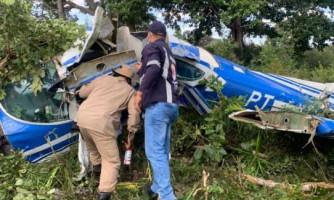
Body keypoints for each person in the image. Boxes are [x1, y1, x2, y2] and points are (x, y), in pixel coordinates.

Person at [76, 64, 140, 200]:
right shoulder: (130, 91)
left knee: (93, 150)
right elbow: (133, 116)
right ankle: (104, 193)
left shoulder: (103, 79)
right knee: (111, 160)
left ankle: (95, 178)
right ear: (129, 80)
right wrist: (131, 133)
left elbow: (82, 93)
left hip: (82, 117)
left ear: (115, 73)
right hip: (102, 122)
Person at [134, 21, 179, 200]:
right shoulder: (169, 52)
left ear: (150, 35)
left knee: (154, 151)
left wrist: (139, 93)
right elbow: (157, 72)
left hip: (158, 105)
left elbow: (154, 68)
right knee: (162, 149)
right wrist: (141, 71)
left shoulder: (151, 47)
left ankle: (167, 196)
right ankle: (157, 187)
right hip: (171, 105)